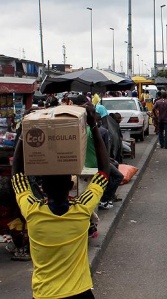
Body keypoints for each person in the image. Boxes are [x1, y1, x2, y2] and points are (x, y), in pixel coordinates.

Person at [11, 102, 110, 299]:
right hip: (79, 293)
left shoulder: (32, 211)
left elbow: (17, 175)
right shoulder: (82, 210)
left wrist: (25, 132)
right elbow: (104, 171)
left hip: (44, 295)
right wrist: (93, 126)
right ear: (70, 185)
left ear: (42, 188)